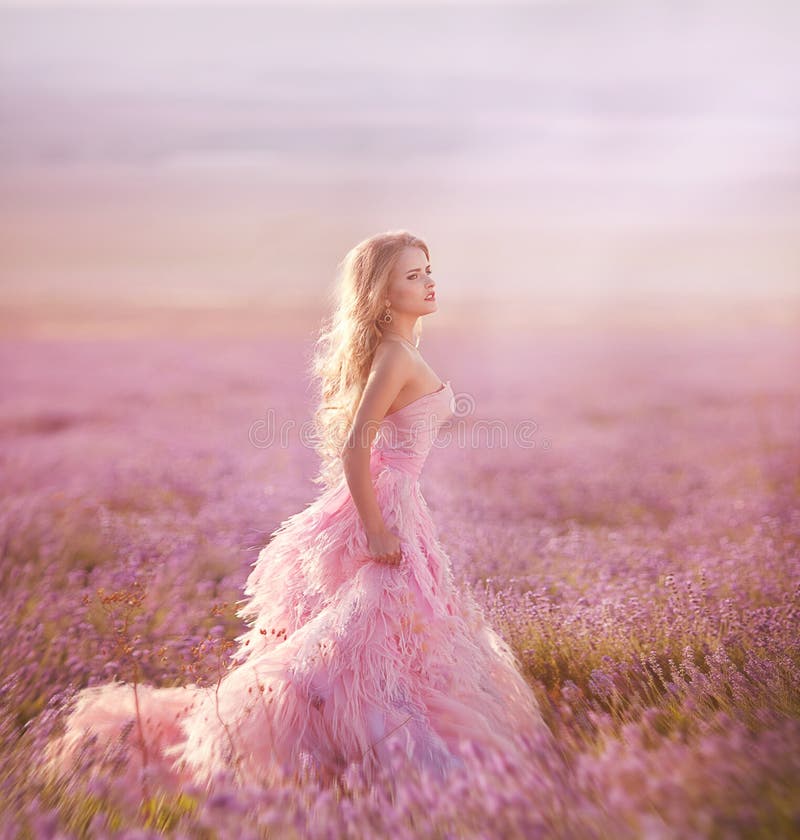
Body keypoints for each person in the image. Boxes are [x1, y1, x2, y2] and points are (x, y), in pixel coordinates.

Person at [40, 230, 548, 798]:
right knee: (362, 637)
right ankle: (355, 751)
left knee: (391, 637)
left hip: (399, 500)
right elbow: (358, 445)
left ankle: (355, 752)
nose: (429, 281)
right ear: (381, 293)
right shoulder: (397, 355)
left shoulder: (404, 351)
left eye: (428, 269)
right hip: (388, 505)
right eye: (412, 274)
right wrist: (377, 527)